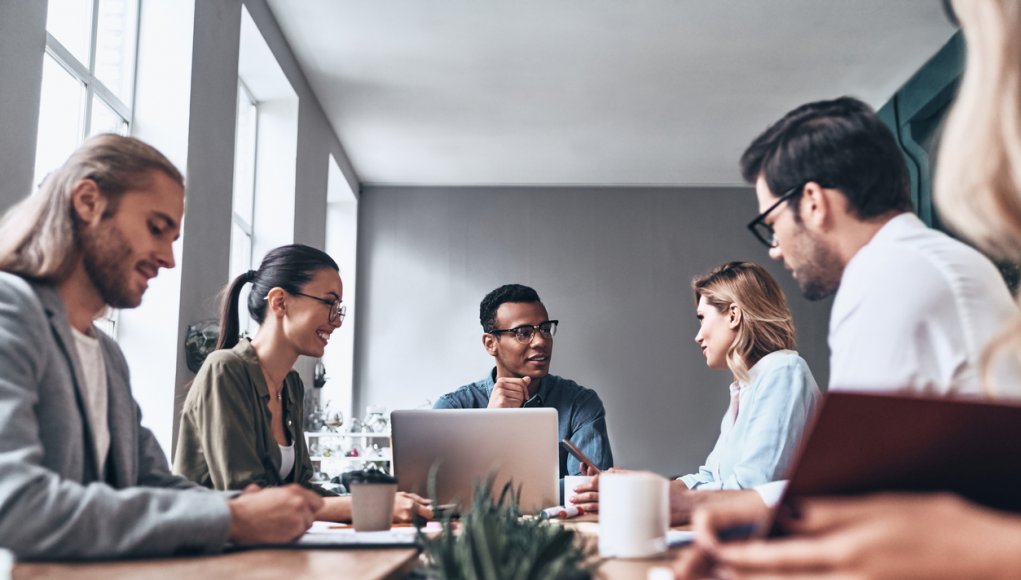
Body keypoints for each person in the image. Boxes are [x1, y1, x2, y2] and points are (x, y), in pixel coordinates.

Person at [676, 2, 1021, 577]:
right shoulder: (924, 262)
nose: (775, 247)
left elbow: (853, 496)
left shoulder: (890, 274)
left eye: (772, 223)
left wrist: (722, 512)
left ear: (812, 201)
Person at [0, 135, 323, 560]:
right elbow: (16, 506)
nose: (169, 259)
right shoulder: (10, 312)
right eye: (156, 228)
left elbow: (152, 481)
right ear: (87, 201)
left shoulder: (106, 355)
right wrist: (233, 519)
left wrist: (245, 510)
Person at [174, 244, 432, 523]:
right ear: (280, 302)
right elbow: (248, 499)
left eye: (339, 308)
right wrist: (369, 507)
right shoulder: (225, 369)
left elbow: (301, 489)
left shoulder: (291, 386)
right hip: (210, 556)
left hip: (268, 550)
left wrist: (383, 502)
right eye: (329, 303)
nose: (337, 321)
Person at [571, 262, 820, 522]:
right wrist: (637, 485)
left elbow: (751, 490)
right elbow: (709, 477)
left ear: (734, 315)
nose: (698, 336)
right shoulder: (745, 388)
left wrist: (650, 496)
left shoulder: (783, 370)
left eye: (702, 318)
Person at [434, 284, 613, 478]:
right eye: (524, 333)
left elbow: (589, 490)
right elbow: (437, 491)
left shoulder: (580, 404)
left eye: (545, 329)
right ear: (490, 343)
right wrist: (489, 425)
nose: (541, 341)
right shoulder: (452, 409)